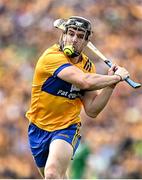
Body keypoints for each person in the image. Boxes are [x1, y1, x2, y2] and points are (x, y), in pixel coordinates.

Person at [26, 16, 129, 179]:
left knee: (52, 173)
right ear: (63, 34)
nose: (74, 39)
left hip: (66, 127)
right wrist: (116, 77)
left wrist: (111, 85)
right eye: (71, 34)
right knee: (55, 176)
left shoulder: (88, 66)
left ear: (87, 41)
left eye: (80, 36)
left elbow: (92, 110)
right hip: (38, 128)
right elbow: (84, 81)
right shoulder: (51, 57)